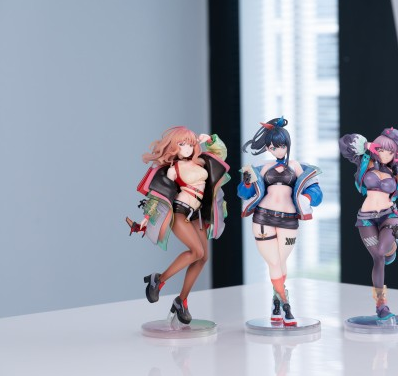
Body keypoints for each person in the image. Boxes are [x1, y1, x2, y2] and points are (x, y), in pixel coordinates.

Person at [127, 126, 229, 324]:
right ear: (174, 147)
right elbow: (159, 194)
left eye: (190, 144)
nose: (187, 148)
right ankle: (159, 280)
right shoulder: (174, 169)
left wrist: (210, 140)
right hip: (180, 212)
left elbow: (220, 155)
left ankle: (181, 301)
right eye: (182, 144)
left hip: (197, 215)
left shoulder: (200, 161)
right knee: (197, 252)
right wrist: (147, 218)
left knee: (203, 258)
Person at [238, 117, 323, 326]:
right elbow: (243, 193)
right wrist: (247, 182)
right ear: (268, 148)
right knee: (274, 263)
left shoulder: (296, 166)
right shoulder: (262, 168)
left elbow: (315, 191)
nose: (277, 150)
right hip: (263, 217)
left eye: (281, 146)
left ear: (287, 145)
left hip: (289, 220)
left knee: (280, 262)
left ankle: (276, 302)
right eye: (273, 147)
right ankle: (286, 306)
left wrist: (307, 198)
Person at [339, 127, 398, 319]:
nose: (384, 154)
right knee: (378, 258)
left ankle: (390, 249)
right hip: (365, 218)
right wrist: (365, 145)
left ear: (396, 153)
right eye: (380, 149)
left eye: (389, 151)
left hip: (389, 215)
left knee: (381, 251)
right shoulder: (365, 162)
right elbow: (345, 145)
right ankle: (381, 305)